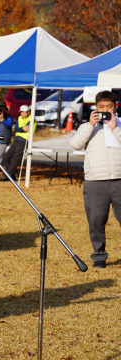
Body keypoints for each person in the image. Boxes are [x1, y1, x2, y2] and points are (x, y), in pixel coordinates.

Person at [70, 90, 121, 268]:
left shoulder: (120, 125)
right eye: (101, 107)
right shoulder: (87, 126)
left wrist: (114, 128)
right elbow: (75, 144)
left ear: (115, 107)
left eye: (109, 106)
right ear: (95, 107)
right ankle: (99, 257)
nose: (105, 110)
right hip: (95, 181)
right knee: (96, 221)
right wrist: (90, 125)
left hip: (119, 180)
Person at [0, 104, 36, 181]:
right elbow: (16, 129)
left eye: (24, 112)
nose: (22, 114)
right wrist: (22, 128)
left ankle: (6, 176)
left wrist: (21, 128)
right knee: (5, 158)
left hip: (24, 141)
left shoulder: (32, 119)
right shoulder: (19, 118)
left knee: (15, 160)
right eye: (21, 112)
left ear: (28, 112)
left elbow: (27, 129)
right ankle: (11, 176)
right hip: (16, 140)